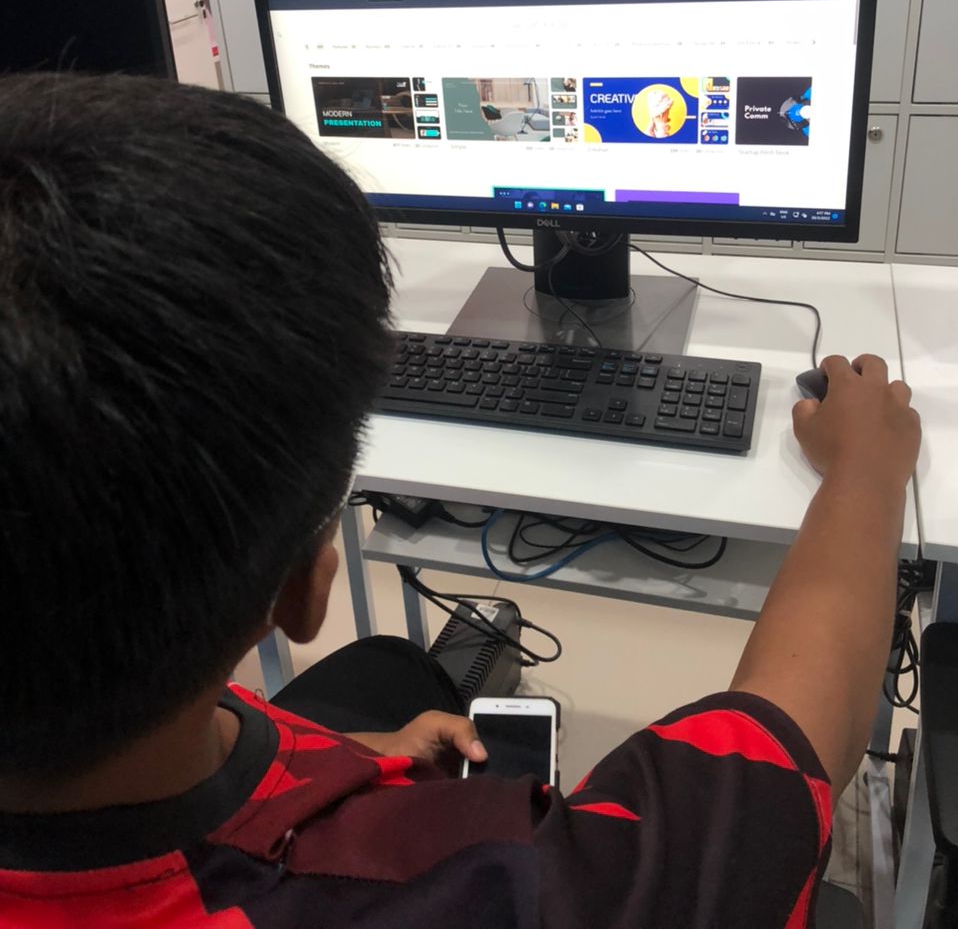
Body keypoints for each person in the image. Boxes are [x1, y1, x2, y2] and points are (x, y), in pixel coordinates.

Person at [0, 73, 920, 928]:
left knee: (393, 670)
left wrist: (356, 756)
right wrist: (865, 471)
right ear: (305, 587)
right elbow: (791, 741)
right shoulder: (520, 888)